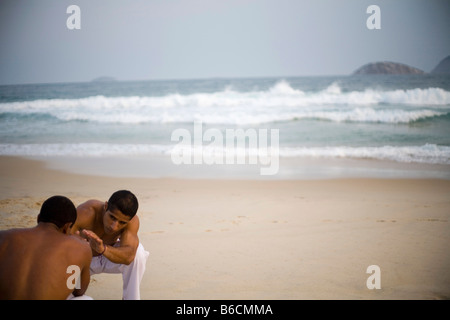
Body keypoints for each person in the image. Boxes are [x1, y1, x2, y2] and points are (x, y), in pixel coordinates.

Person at [0, 195, 92, 300]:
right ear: (67, 227)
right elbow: (79, 290)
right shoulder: (80, 247)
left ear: (38, 218)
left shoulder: (3, 237)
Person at [71, 190, 149, 300]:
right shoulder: (85, 212)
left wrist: (102, 248)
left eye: (122, 223)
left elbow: (128, 257)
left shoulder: (132, 221)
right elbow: (63, 249)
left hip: (108, 256)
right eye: (112, 217)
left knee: (138, 254)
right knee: (75, 296)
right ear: (106, 206)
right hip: (83, 261)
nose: (114, 227)